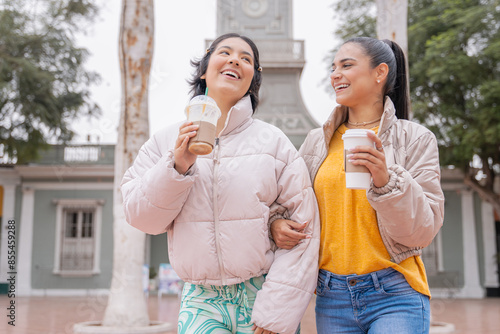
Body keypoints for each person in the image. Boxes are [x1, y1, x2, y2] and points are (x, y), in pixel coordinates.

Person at [121, 33, 319, 334]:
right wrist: (176, 166)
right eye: (224, 52)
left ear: (253, 79)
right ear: (204, 69)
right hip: (201, 300)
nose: (235, 60)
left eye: (246, 58)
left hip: (262, 291)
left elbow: (305, 229)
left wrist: (278, 311)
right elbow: (141, 217)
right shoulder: (165, 141)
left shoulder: (274, 142)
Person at [271, 37, 445, 333]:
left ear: (379, 74)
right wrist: (276, 223)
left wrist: (386, 181)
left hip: (394, 291)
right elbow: (288, 202)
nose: (335, 74)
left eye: (347, 65)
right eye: (333, 67)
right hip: (331, 294)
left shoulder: (415, 139)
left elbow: (421, 232)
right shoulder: (316, 142)